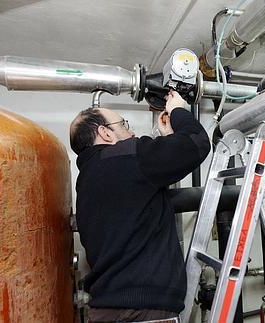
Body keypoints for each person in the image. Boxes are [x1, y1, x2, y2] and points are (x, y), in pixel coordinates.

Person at [69, 90, 210, 323]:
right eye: (123, 124)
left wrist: (166, 140)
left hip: (104, 309)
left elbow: (135, 201)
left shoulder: (86, 179)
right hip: (142, 311)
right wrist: (177, 110)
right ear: (105, 133)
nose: (131, 132)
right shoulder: (127, 154)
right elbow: (196, 141)